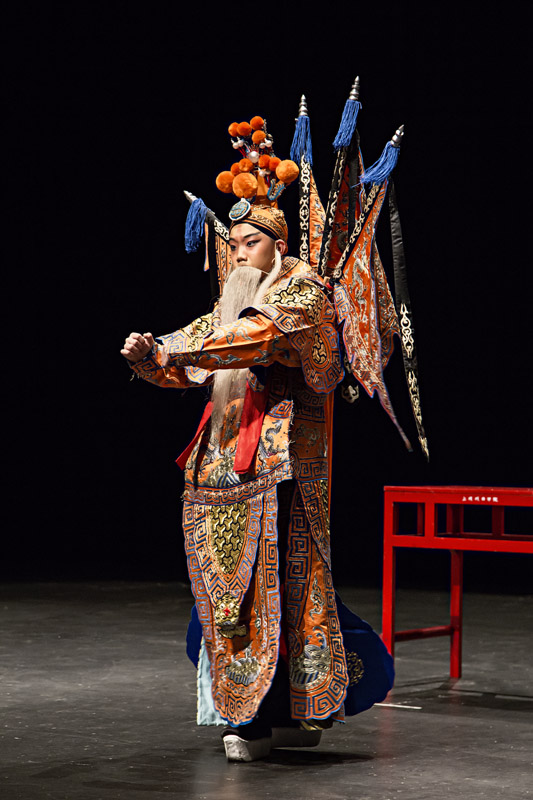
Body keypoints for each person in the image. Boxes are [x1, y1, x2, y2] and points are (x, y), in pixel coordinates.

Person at [121, 105, 399, 761]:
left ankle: (283, 714)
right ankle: (248, 714)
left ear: (278, 244)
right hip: (224, 471)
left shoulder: (301, 295)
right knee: (231, 595)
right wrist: (150, 356)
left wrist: (173, 349)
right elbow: (193, 356)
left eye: (249, 243)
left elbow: (250, 341)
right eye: (234, 244)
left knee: (284, 588)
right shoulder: (230, 304)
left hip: (285, 472)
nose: (237, 252)